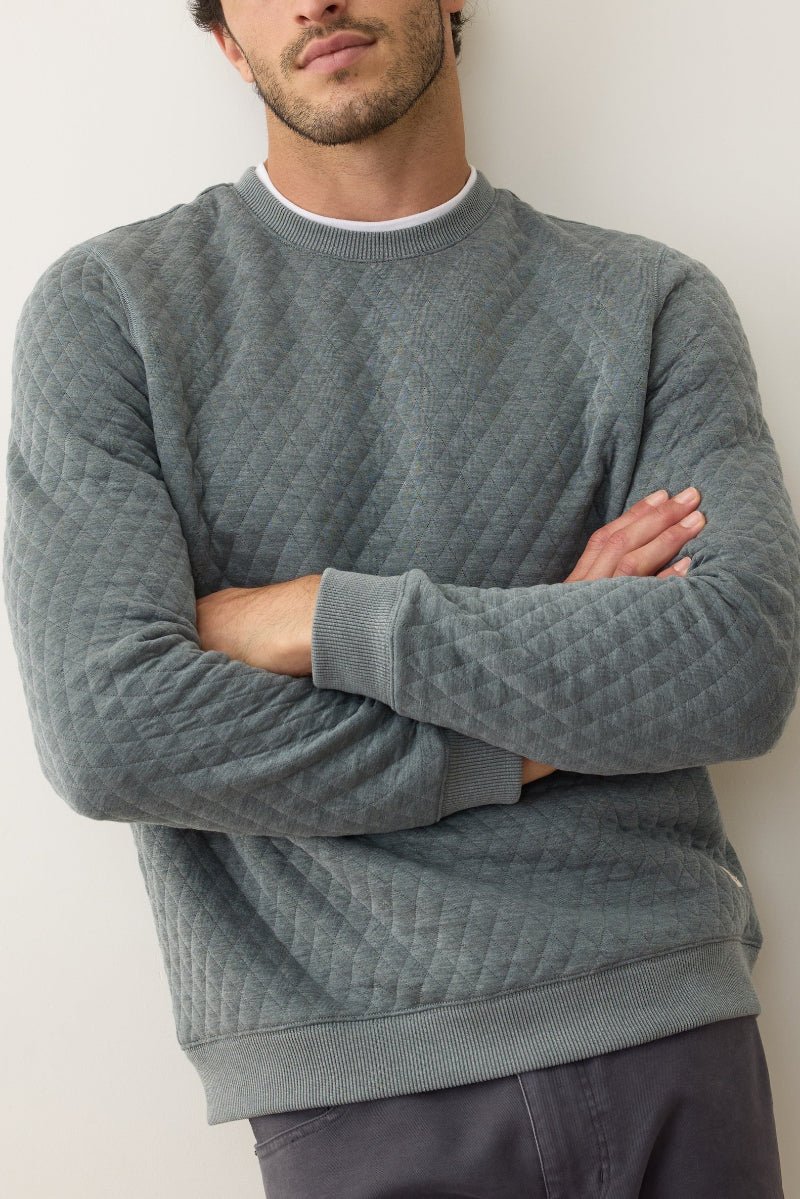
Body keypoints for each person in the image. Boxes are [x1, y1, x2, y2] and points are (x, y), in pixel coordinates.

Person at [4, 1, 798, 1195]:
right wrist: (533, 726)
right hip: (354, 1073)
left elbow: (733, 664)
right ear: (224, 38)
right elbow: (113, 728)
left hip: (662, 1015)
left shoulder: (650, 301)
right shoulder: (111, 312)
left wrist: (322, 611)